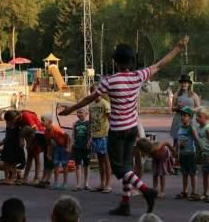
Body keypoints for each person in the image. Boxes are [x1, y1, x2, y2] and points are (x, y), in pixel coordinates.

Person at [59, 35, 189, 215]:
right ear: (131, 61)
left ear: (115, 62)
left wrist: (70, 109)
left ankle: (146, 191)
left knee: (120, 169)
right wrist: (178, 48)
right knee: (127, 165)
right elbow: (160, 64)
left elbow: (91, 98)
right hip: (132, 128)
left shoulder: (109, 81)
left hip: (117, 131)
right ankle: (125, 204)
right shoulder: (138, 76)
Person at [4, 110, 44, 185]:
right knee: (29, 157)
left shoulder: (26, 116)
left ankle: (37, 178)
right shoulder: (17, 119)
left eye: (10, 121)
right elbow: (22, 131)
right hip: (28, 134)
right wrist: (26, 141)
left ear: (14, 118)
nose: (11, 123)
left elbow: (35, 130)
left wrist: (31, 144)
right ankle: (25, 178)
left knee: (36, 157)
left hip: (37, 135)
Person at [89, 83, 111, 193]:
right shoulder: (91, 105)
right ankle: (102, 183)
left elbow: (110, 118)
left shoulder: (104, 104)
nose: (95, 93)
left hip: (104, 135)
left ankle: (108, 184)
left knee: (106, 160)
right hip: (95, 135)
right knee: (100, 161)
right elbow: (90, 121)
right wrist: (90, 136)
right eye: (92, 91)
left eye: (96, 91)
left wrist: (112, 133)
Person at [174, 106, 199, 200]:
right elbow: (177, 142)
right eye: (182, 115)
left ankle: (194, 192)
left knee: (192, 173)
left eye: (185, 115)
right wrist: (176, 153)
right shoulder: (180, 128)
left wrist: (199, 151)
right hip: (183, 154)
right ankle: (185, 191)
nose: (182, 117)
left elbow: (196, 139)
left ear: (190, 117)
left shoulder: (191, 128)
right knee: (184, 173)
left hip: (191, 153)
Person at [41, 113, 71, 190]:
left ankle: (65, 183)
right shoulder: (46, 132)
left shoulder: (56, 129)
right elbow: (49, 143)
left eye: (43, 120)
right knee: (56, 165)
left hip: (64, 147)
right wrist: (48, 153)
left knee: (64, 165)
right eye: (41, 120)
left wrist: (68, 147)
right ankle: (56, 183)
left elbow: (67, 136)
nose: (41, 122)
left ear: (50, 122)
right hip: (57, 148)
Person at [170, 74, 200, 148]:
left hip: (191, 120)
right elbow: (172, 108)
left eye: (186, 83)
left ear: (189, 84)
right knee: (177, 141)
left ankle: (192, 156)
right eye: (182, 83)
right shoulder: (176, 95)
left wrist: (190, 110)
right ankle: (175, 157)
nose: (184, 84)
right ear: (180, 84)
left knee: (191, 140)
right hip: (179, 119)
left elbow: (199, 108)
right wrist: (177, 107)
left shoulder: (193, 95)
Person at [0, 111, 25, 185]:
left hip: (15, 146)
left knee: (14, 163)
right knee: (6, 163)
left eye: (9, 120)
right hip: (8, 145)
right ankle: (6, 178)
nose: (8, 122)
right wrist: (1, 143)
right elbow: (7, 136)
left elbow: (21, 135)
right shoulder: (8, 124)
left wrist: (21, 141)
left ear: (14, 119)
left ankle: (13, 178)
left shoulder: (18, 126)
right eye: (7, 120)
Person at [71, 108, 91, 191]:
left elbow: (90, 134)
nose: (79, 114)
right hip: (77, 147)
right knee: (78, 165)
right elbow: (73, 134)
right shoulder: (75, 124)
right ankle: (78, 184)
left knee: (86, 165)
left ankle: (86, 183)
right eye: (78, 112)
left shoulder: (88, 123)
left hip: (86, 147)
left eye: (81, 112)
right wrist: (73, 143)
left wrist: (89, 143)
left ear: (86, 113)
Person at [196, 106, 209, 203]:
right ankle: (205, 192)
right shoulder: (198, 127)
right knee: (204, 174)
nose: (197, 118)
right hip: (203, 154)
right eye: (197, 116)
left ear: (206, 117)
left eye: (199, 116)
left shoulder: (207, 128)